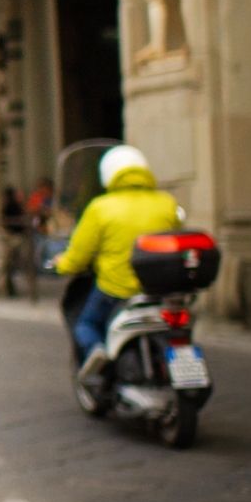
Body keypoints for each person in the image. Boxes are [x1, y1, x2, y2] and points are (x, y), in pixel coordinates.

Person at [51, 145, 181, 370]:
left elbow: (78, 255)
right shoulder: (166, 202)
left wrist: (61, 264)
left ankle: (97, 354)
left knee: (85, 323)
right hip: (159, 288)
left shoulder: (101, 208)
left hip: (117, 288)